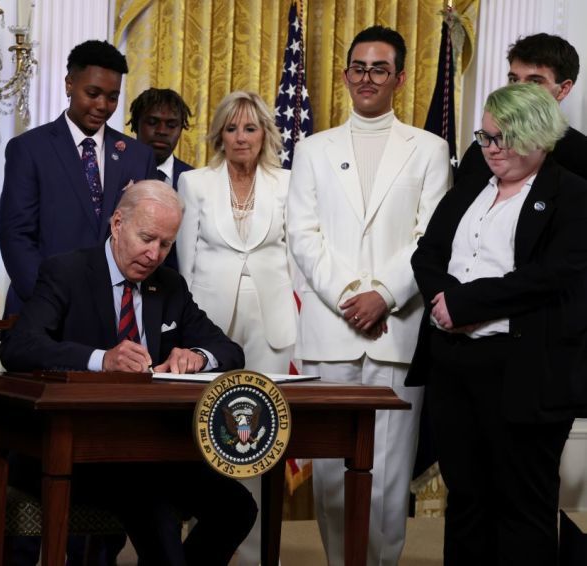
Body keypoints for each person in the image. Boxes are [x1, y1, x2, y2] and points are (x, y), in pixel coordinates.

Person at [0, 180, 256, 565]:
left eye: (166, 244)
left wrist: (197, 357)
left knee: (237, 507)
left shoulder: (169, 285)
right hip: (77, 449)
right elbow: (18, 347)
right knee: (153, 506)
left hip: (153, 450)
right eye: (147, 238)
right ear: (117, 224)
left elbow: (230, 351)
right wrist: (101, 359)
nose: (154, 254)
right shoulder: (66, 272)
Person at [287, 25, 450, 565]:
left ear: (399, 78)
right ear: (345, 73)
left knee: (388, 474)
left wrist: (383, 294)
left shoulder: (430, 149)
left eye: (380, 69)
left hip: (396, 330)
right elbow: (303, 235)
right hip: (332, 333)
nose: (367, 78)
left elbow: (431, 237)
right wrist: (351, 295)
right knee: (332, 477)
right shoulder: (312, 149)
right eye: (359, 67)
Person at [408, 82, 587, 565]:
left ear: (541, 135)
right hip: (453, 367)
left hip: (522, 372)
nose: (491, 148)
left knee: (521, 507)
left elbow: (551, 275)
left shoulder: (572, 195)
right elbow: (427, 254)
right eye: (485, 137)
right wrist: (441, 300)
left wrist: (466, 305)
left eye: (503, 138)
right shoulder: (470, 188)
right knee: (464, 500)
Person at [177, 90, 296, 565]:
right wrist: (184, 330)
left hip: (272, 321)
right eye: (231, 128)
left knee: (261, 435)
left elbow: (297, 258)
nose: (241, 137)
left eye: (250, 128)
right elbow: (185, 262)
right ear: (219, 134)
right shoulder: (195, 184)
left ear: (264, 132)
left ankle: (252, 555)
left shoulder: (287, 183)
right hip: (210, 322)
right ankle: (206, 549)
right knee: (209, 432)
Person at [0, 39, 156, 314]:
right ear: (69, 84)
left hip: (115, 313)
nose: (102, 105)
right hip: (43, 312)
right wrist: (50, 302)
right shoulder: (29, 149)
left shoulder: (137, 156)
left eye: (112, 97)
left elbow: (146, 235)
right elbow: (17, 236)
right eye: (92, 93)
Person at [456, 33, 587, 182]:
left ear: (563, 89)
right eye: (514, 79)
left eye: (534, 82)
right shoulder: (482, 150)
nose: (518, 90)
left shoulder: (581, 155)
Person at [127, 86, 193, 188]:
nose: (161, 131)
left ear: (180, 130)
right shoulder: (113, 170)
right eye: (152, 122)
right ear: (135, 125)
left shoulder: (193, 180)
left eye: (171, 125)